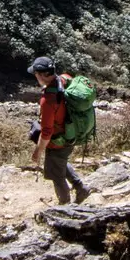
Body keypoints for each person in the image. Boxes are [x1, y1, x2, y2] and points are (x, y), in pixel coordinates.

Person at [29, 56, 92, 205]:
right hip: (71, 134)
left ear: (44, 75)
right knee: (60, 162)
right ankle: (80, 187)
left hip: (59, 140)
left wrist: (38, 151)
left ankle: (65, 206)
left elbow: (46, 132)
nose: (35, 76)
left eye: (36, 74)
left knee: (57, 175)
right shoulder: (65, 78)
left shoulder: (48, 100)